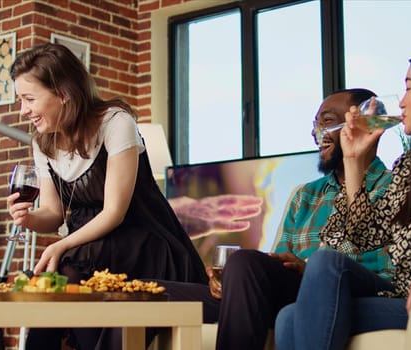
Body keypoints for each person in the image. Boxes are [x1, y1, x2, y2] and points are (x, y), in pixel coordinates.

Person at [158, 88, 395, 350]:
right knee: (143, 293)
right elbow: (275, 264)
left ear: (362, 124)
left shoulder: (393, 187)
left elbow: (385, 268)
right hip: (286, 292)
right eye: (315, 124)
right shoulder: (305, 195)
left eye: (326, 122)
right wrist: (231, 279)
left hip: (341, 291)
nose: (316, 133)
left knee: (243, 263)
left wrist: (311, 270)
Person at [7, 42, 208, 349]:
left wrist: (62, 245)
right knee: (68, 273)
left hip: (142, 240)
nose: (23, 110)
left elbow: (115, 211)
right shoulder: (42, 142)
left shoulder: (115, 122)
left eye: (29, 99)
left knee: (69, 270)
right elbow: (54, 212)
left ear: (63, 93)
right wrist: (29, 217)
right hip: (89, 246)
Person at [274, 44, 411, 350]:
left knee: (303, 302)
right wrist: (353, 161)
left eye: (410, 88)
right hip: (400, 296)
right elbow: (356, 238)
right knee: (299, 301)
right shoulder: (410, 166)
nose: (402, 102)